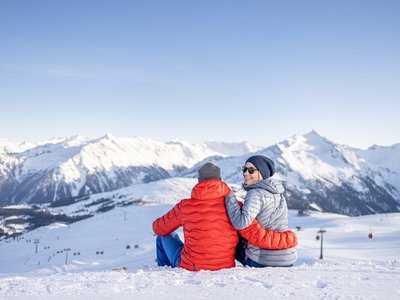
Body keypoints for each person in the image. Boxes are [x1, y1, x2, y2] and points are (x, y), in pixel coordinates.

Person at [153, 162, 297, 271]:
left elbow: (159, 228)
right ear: (220, 180)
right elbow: (252, 234)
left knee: (163, 236)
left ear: (198, 181)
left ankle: (165, 272)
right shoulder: (235, 206)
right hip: (225, 266)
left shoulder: (184, 206)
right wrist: (286, 239)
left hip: (191, 266)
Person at [225, 155, 297, 267]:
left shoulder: (255, 193)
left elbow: (240, 223)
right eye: (244, 169)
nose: (245, 173)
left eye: (251, 170)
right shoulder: (279, 193)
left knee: (228, 242)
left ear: (262, 173)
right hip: (288, 257)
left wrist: (230, 200)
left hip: (262, 259)